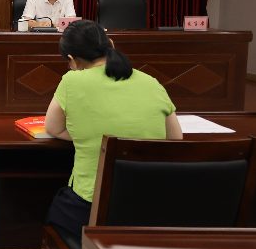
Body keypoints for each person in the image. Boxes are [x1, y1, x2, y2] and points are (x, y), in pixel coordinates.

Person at [43, 19, 182, 236]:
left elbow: (53, 128)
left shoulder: (72, 81)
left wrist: (91, 135)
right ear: (111, 44)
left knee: (54, 213)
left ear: (72, 60)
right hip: (151, 207)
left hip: (93, 207)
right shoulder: (151, 81)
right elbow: (175, 139)